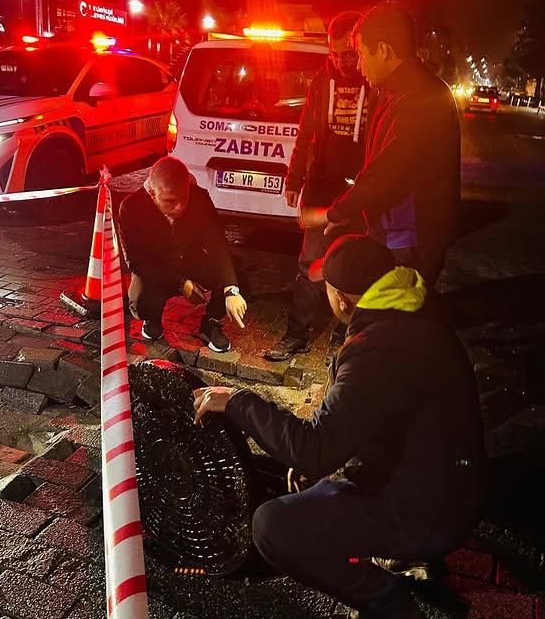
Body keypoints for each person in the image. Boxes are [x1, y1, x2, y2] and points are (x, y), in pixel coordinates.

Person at [193, 235, 487, 619]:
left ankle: (387, 602)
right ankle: (397, 556)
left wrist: (237, 401)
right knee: (310, 476)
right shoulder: (414, 311)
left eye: (327, 288)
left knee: (271, 526)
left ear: (343, 300)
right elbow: (375, 419)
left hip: (429, 511)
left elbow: (313, 449)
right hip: (450, 486)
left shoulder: (376, 349)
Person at [301, 2, 461, 289]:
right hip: (391, 234)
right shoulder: (389, 94)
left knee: (395, 319)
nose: (359, 66)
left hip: (410, 242)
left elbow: (389, 171)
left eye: (362, 55)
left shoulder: (423, 99)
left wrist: (334, 213)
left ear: (384, 50)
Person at [266, 11, 369, 363]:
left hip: (362, 193)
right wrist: (294, 179)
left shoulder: (376, 86)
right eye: (334, 53)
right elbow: (305, 133)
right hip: (321, 188)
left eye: (347, 54)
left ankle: (347, 337)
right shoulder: (320, 82)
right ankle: (297, 334)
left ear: (360, 48)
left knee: (355, 265)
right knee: (310, 264)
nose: (340, 61)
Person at [118, 156, 247, 353]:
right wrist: (181, 283)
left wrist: (231, 290)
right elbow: (137, 262)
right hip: (157, 271)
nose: (180, 207)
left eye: (184, 198)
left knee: (234, 270)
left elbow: (218, 244)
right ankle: (152, 318)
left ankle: (210, 322)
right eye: (170, 201)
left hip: (191, 262)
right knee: (141, 301)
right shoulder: (131, 207)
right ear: (152, 193)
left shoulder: (200, 197)